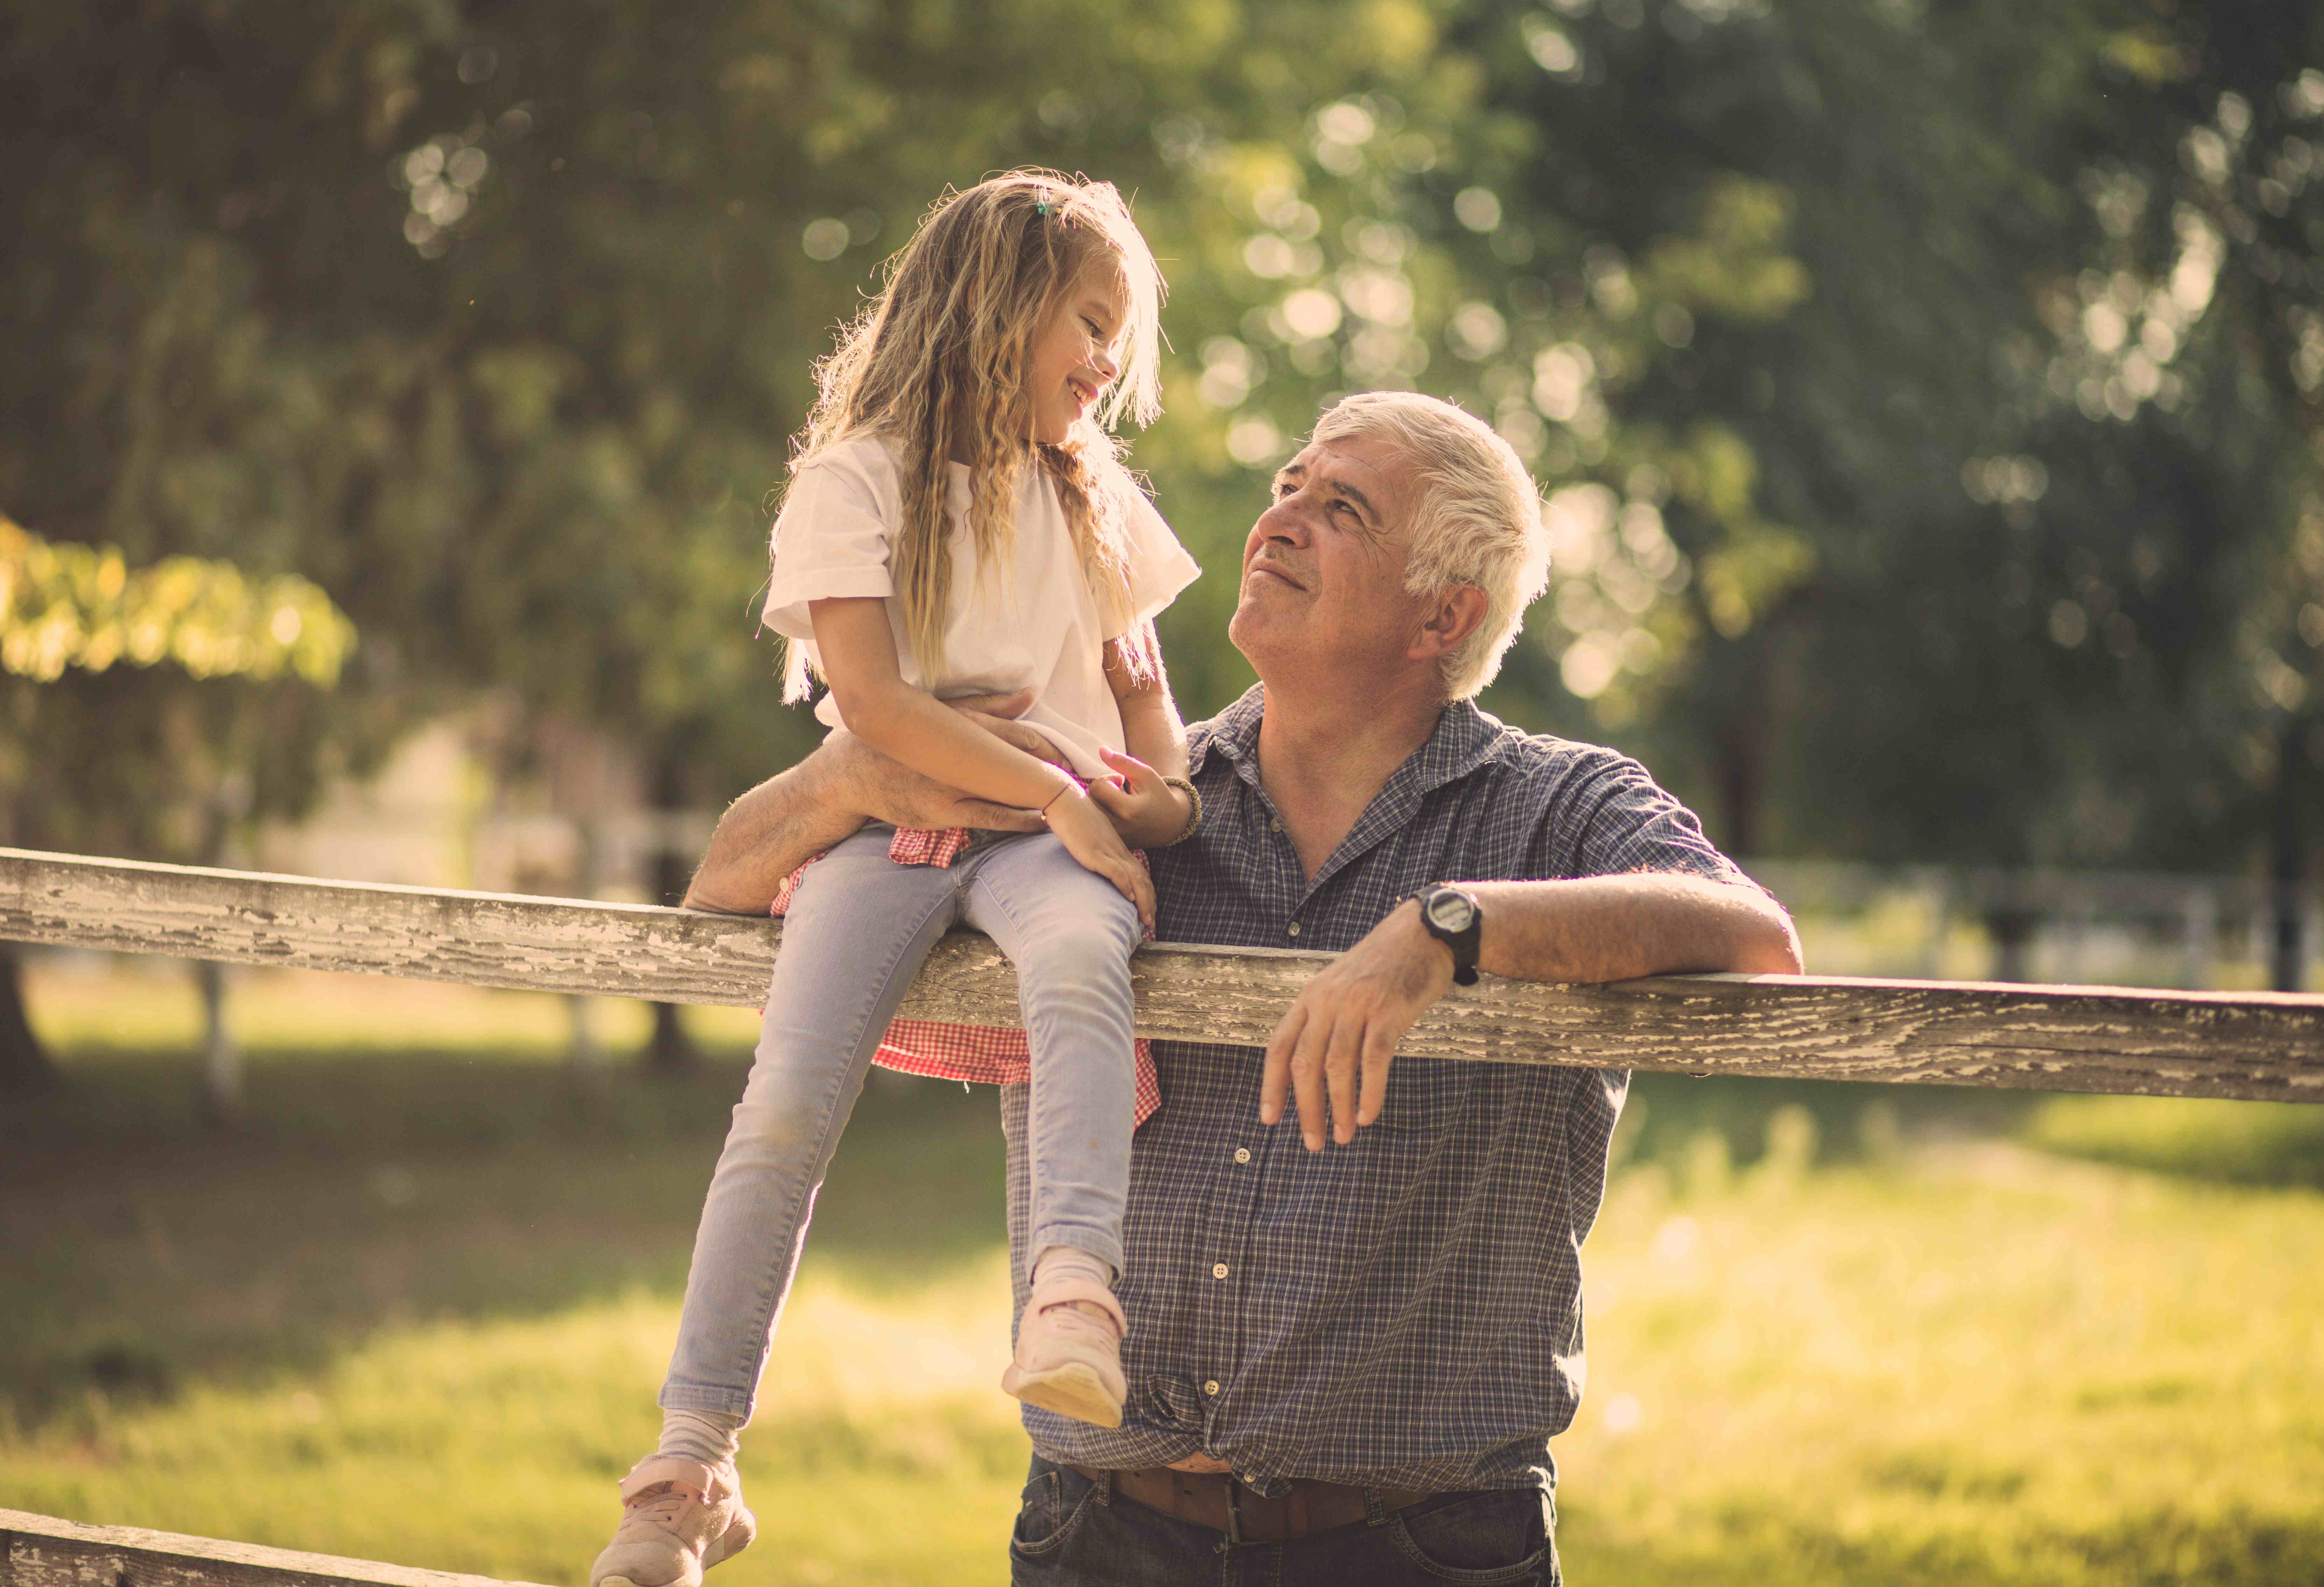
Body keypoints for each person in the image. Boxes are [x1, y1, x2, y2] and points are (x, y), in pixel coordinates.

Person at [679, 391, 1802, 1585]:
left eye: (1343, 509)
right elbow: (724, 890)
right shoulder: (1122, 797)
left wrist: (1449, 927)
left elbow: (1751, 933)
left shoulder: (1553, 806)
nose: (1282, 520)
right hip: (1097, 1532)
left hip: (1423, 1551)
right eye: (1289, 487)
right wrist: (852, 771)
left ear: (1444, 614)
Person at [589, 171, 1204, 1587]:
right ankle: (689, 1464)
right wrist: (1054, 781)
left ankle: (1072, 1291)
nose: (1110, 361)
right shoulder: (857, 479)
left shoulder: (1093, 498)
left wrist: (1144, 798)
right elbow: (869, 702)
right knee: (786, 1101)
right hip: (895, 828)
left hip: (1062, 847)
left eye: (1122, 333)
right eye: (1091, 321)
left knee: (1076, 968)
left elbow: (1154, 739)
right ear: (995, 303)